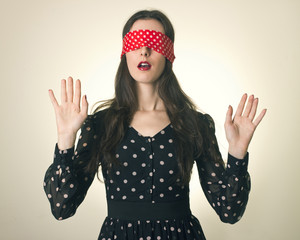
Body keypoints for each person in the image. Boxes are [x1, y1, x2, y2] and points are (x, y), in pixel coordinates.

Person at [43, 9, 266, 240]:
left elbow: (229, 210)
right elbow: (62, 207)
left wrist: (237, 153)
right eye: (136, 41)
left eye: (154, 42)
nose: (144, 50)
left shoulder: (195, 125)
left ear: (169, 53)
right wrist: (65, 138)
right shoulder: (100, 125)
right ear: (124, 52)